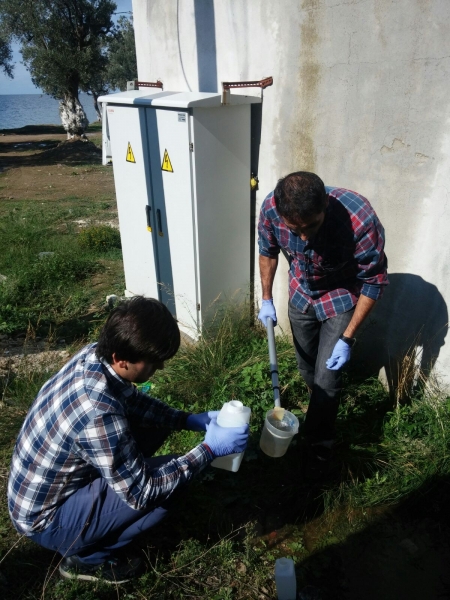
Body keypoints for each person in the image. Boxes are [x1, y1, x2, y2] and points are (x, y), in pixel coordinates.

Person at [8, 296, 249, 583]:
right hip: (47, 520)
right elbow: (143, 493)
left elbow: (132, 401)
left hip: (40, 491)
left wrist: (186, 419)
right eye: (155, 363)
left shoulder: (93, 355)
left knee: (154, 425)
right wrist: (209, 450)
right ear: (122, 360)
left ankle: (98, 513)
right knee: (169, 483)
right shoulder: (99, 413)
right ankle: (87, 560)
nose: (159, 369)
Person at [257, 172, 388, 471]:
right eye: (295, 229)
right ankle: (319, 408)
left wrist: (348, 338)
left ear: (325, 204)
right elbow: (268, 251)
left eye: (312, 226)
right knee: (307, 367)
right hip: (301, 295)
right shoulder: (271, 209)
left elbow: (374, 282)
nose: (304, 237)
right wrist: (266, 297)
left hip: (340, 298)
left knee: (327, 377)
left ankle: (319, 443)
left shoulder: (359, 218)